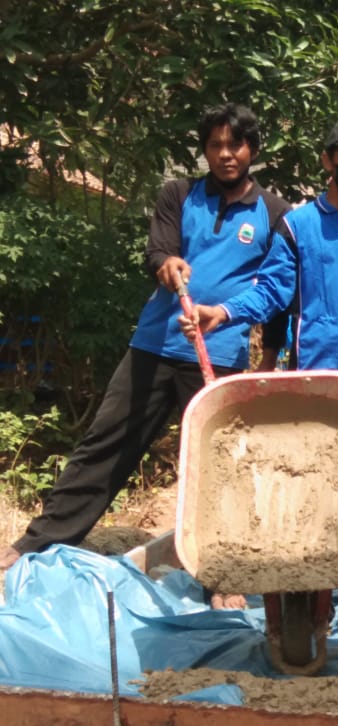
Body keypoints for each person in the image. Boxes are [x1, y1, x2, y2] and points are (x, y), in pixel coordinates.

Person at [0, 104, 290, 604]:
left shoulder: (275, 213)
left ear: (253, 151)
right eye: (215, 145)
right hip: (155, 343)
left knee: (218, 464)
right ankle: (37, 542)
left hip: (218, 356)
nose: (225, 154)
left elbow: (277, 288)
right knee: (105, 445)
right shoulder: (178, 194)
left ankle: (222, 573)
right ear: (204, 150)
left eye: (235, 145)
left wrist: (269, 353)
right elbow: (159, 251)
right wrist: (168, 264)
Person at [180, 117, 338, 599]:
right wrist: (221, 312)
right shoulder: (297, 225)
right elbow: (269, 293)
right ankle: (316, 561)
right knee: (319, 470)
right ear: (328, 162)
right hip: (320, 370)